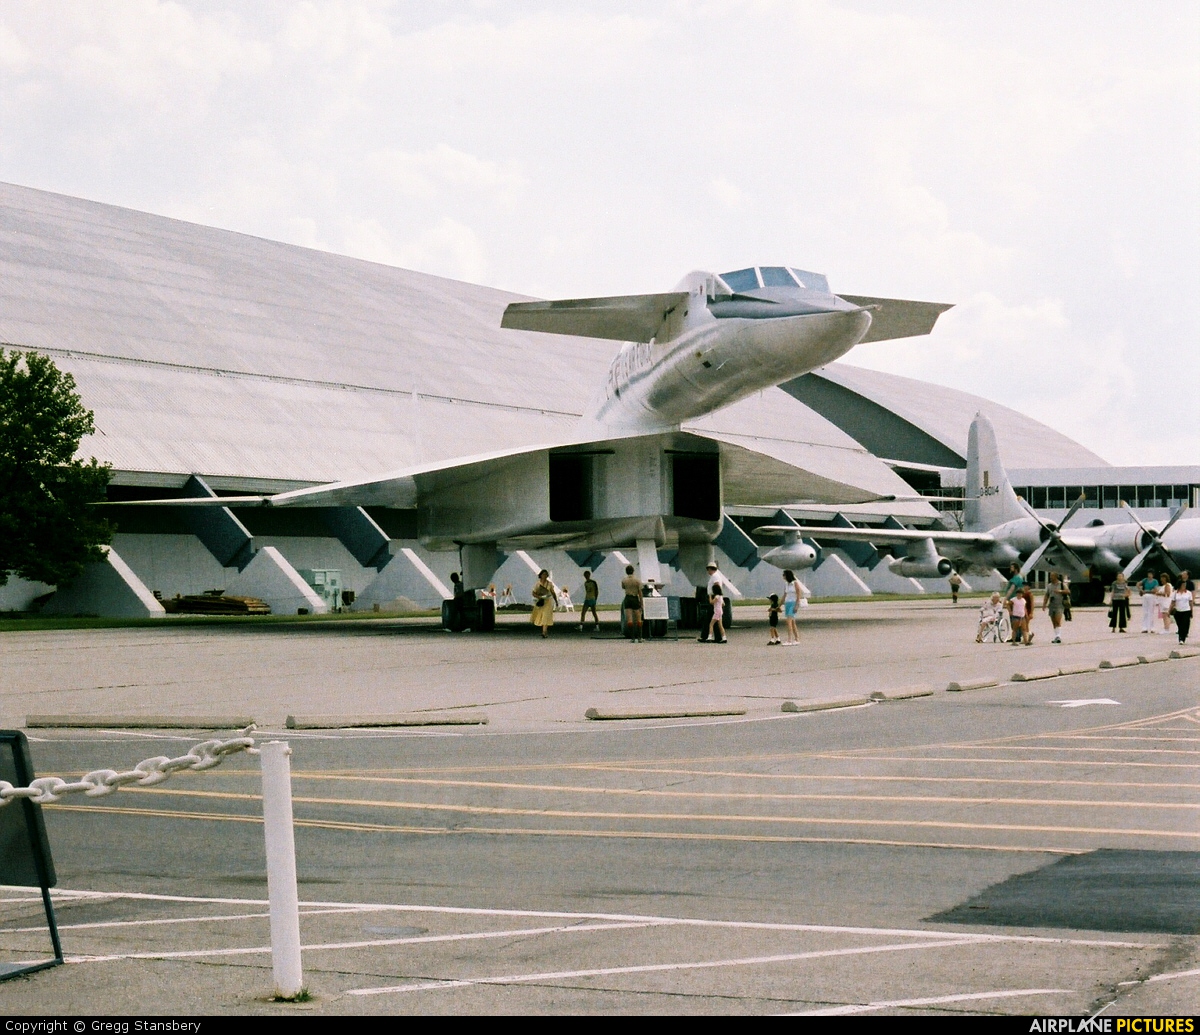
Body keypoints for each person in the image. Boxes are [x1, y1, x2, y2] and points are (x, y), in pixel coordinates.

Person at [621, 564, 643, 642]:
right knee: (638, 619)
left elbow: (623, 587)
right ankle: (639, 638)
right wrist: (641, 603)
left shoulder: (624, 580)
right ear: (633, 571)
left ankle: (632, 638)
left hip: (627, 598)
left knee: (629, 619)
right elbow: (640, 592)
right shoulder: (637, 580)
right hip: (635, 598)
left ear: (626, 572)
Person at [1043, 572, 1066, 643]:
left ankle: (1059, 636)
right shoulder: (1049, 586)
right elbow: (1047, 595)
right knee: (1053, 621)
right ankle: (1056, 636)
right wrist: (1044, 604)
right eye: (1050, 576)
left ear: (1056, 577)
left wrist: (1060, 591)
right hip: (1052, 605)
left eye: (1052, 576)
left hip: (1059, 604)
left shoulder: (1061, 584)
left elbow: (1068, 591)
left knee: (1058, 620)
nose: (1050, 577)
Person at [1169, 576, 1194, 644]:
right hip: (1178, 611)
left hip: (1186, 610)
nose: (1184, 586)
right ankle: (1181, 637)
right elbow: (1173, 602)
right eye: (1183, 585)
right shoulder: (1175, 593)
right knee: (1180, 625)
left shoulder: (1188, 593)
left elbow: (1190, 602)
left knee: (1185, 624)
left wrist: (1191, 610)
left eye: (1185, 585)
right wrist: (1169, 610)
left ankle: (1182, 638)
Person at [530, 569, 555, 638]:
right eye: (543, 574)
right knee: (540, 615)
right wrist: (539, 597)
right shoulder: (538, 584)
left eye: (546, 574)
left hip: (548, 601)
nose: (545, 576)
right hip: (541, 601)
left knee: (545, 616)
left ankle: (544, 632)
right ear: (540, 575)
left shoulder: (549, 584)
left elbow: (553, 592)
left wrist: (556, 601)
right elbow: (533, 593)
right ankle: (544, 631)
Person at [781, 569, 802, 645]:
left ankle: (789, 640)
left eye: (784, 575)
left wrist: (797, 605)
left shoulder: (795, 583)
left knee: (789, 621)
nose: (783, 576)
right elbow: (784, 595)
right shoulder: (786, 584)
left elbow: (799, 594)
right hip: (787, 603)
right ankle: (797, 639)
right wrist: (780, 605)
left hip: (793, 603)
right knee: (792, 623)